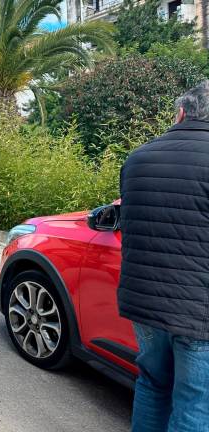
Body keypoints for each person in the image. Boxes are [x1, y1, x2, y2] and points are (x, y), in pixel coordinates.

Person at [118, 80, 209, 431]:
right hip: (199, 313)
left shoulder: (138, 157)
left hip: (145, 306)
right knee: (196, 402)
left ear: (182, 113)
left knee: (153, 384)